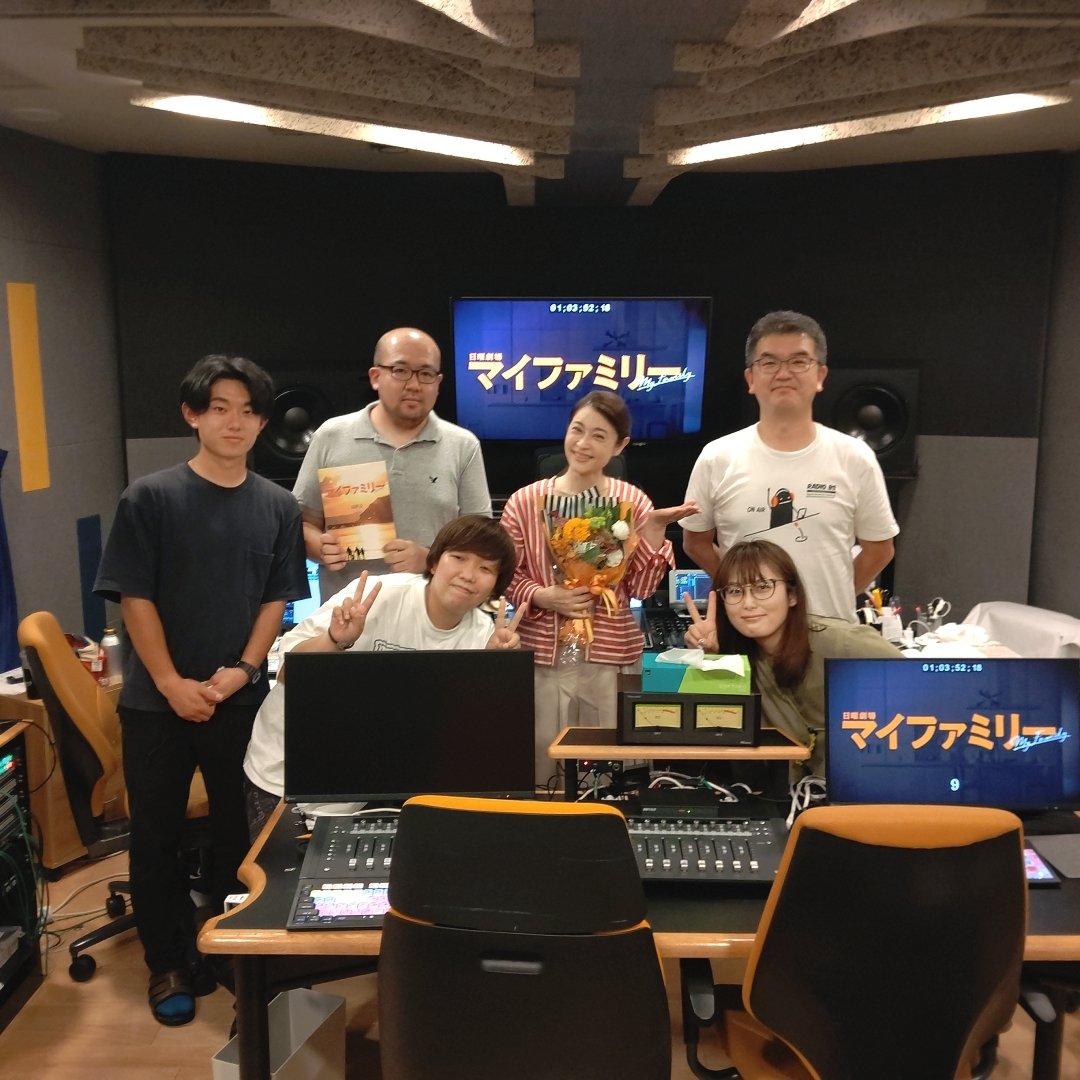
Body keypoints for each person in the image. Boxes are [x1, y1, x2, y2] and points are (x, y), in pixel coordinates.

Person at [94, 355, 308, 1027]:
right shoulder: (149, 498)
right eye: (219, 408)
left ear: (263, 423)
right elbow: (134, 596)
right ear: (192, 415)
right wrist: (169, 683)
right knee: (155, 835)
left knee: (237, 833)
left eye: (248, 411)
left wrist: (243, 669)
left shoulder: (278, 506)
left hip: (236, 698)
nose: (234, 422)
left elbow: (276, 599)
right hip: (156, 704)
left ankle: (229, 949)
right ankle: (168, 962)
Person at [243, 514, 523, 837]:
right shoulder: (376, 596)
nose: (468, 575)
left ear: (495, 586)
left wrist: (494, 672)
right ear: (434, 562)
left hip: (376, 786)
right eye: (459, 557)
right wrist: (335, 639)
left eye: (486, 568)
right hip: (286, 774)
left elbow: (467, 739)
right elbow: (287, 675)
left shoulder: (483, 635)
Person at [499, 391, 698, 785]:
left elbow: (641, 587)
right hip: (541, 656)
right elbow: (505, 576)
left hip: (608, 655)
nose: (583, 443)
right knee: (542, 763)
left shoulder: (633, 502)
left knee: (605, 769)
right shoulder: (524, 502)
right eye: (577, 430)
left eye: (599, 436)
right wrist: (542, 595)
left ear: (620, 445)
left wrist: (654, 532)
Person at [681, 310, 898, 622]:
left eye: (799, 361)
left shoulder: (854, 457)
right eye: (769, 363)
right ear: (751, 379)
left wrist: (833, 597)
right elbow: (696, 543)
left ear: (820, 376)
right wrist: (740, 591)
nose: (783, 374)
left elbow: (880, 549)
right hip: (747, 635)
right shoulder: (717, 457)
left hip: (830, 633)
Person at [293, 327, 491, 596]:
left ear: (438, 382)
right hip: (347, 611)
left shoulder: (462, 446)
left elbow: (480, 541)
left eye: (426, 374)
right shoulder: (332, 436)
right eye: (400, 371)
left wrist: (430, 560)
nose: (414, 385)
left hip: (434, 612)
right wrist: (319, 547)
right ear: (375, 377)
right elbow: (302, 523)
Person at [683, 539, 900, 779]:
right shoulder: (736, 658)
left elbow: (917, 684)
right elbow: (719, 730)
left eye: (762, 587)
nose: (748, 603)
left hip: (860, 786)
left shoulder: (843, 643)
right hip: (789, 794)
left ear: (792, 595)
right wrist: (711, 658)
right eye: (735, 591)